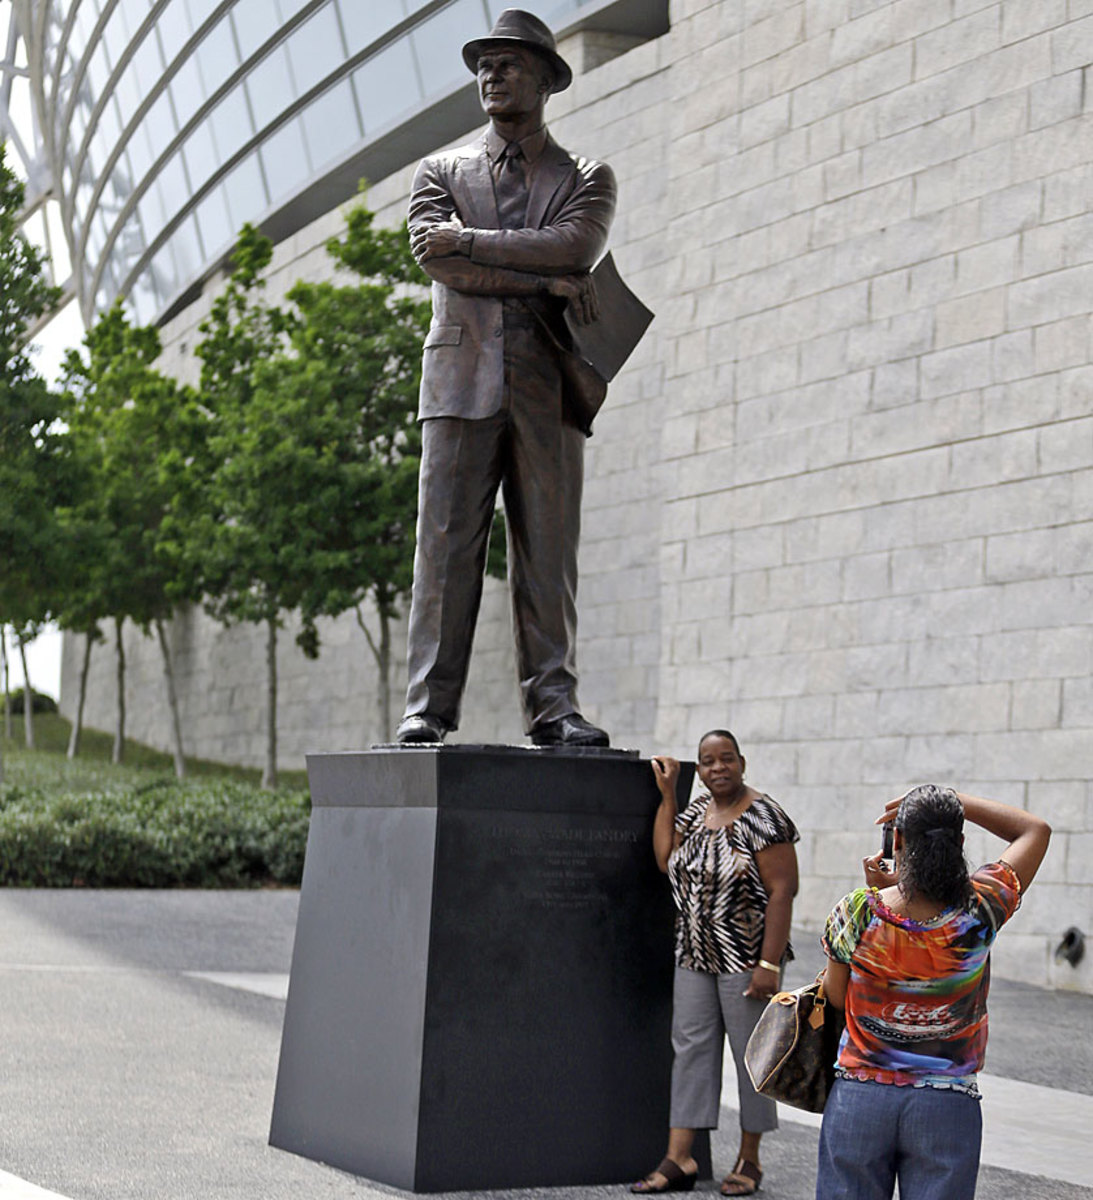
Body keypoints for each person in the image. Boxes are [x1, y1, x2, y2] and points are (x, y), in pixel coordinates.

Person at [394, 9, 617, 748]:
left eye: (509, 63)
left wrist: (474, 241)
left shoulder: (584, 177)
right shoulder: (439, 171)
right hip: (458, 381)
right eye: (483, 64)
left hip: (548, 386)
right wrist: (544, 279)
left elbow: (574, 243)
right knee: (445, 547)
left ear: (546, 80)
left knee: (547, 554)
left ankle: (553, 708)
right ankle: (427, 707)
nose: (491, 74)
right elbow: (437, 261)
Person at [815, 785, 1052, 1200]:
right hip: (947, 1102)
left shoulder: (856, 910)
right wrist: (956, 801)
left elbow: (836, 997)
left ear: (899, 841)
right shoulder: (981, 907)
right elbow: (1035, 830)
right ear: (959, 842)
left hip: (862, 1094)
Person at [632, 730, 799, 1196]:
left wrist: (769, 963)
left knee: (753, 1058)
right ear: (699, 769)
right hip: (694, 953)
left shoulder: (765, 816)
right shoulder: (698, 809)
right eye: (708, 761)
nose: (718, 768)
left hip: (747, 957)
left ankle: (750, 1158)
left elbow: (783, 891)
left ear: (742, 762)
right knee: (690, 1052)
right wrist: (668, 797)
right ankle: (679, 1157)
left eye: (726, 759)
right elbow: (666, 859)